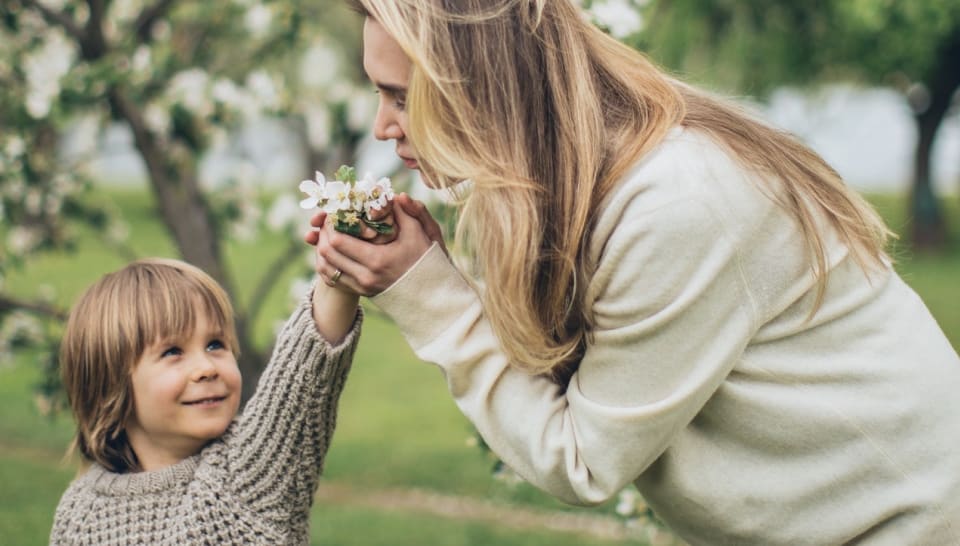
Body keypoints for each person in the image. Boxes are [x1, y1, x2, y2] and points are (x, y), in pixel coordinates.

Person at [307, 0, 960, 544]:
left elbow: (581, 460)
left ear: (482, 89)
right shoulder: (551, 188)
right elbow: (553, 375)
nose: (383, 127)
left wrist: (430, 295)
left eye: (400, 96)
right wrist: (435, 275)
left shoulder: (675, 201)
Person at [50, 252, 364, 544]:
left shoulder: (252, 469)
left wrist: (343, 261)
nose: (205, 368)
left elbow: (303, 378)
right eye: (173, 352)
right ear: (110, 386)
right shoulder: (79, 516)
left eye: (215, 344)